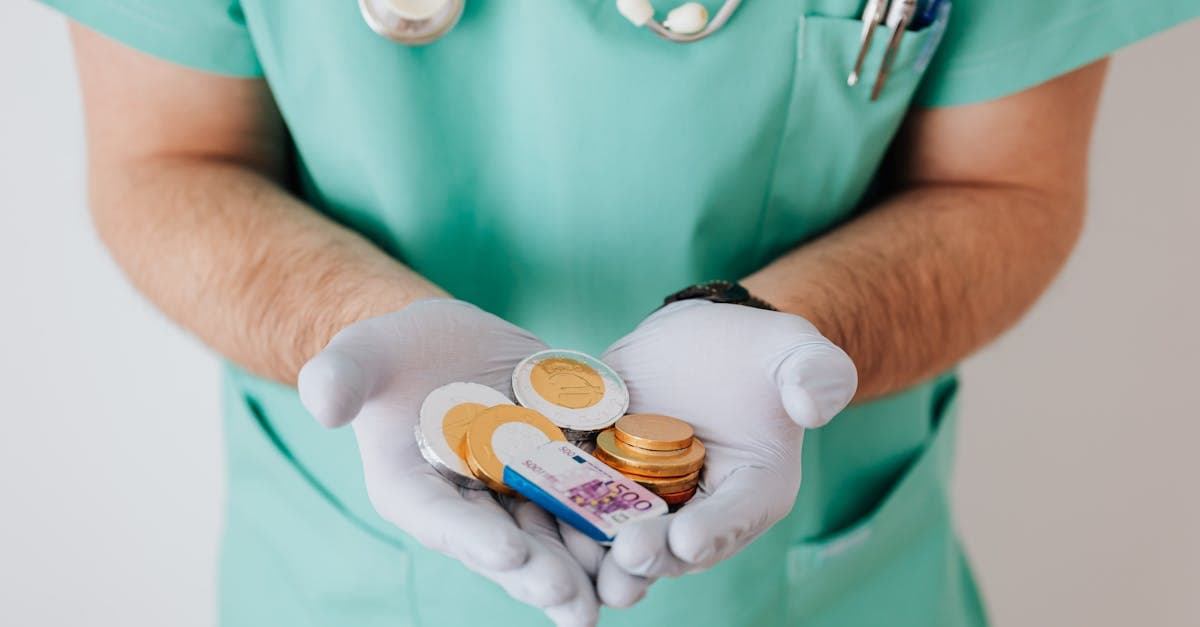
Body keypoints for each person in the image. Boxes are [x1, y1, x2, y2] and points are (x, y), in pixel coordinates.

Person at [42, 0, 1198, 625]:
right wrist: (348, 321)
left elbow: (1008, 187)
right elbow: (167, 157)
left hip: (824, 588)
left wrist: (788, 329)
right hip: (348, 581)